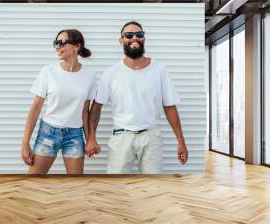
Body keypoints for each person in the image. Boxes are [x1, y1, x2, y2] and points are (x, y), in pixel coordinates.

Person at [85, 21, 189, 174]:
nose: (134, 38)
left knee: (152, 188)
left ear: (144, 39)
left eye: (139, 34)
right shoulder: (110, 73)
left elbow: (170, 106)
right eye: (128, 35)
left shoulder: (159, 70)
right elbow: (96, 107)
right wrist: (91, 138)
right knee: (116, 187)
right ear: (121, 41)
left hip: (150, 137)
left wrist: (181, 141)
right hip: (121, 137)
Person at [21, 29, 96, 174]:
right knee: (33, 183)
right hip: (48, 132)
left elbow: (85, 112)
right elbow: (35, 109)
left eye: (62, 43)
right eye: (56, 43)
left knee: (76, 186)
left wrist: (90, 140)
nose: (57, 46)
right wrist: (25, 144)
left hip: (75, 135)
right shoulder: (48, 71)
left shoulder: (90, 75)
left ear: (76, 46)